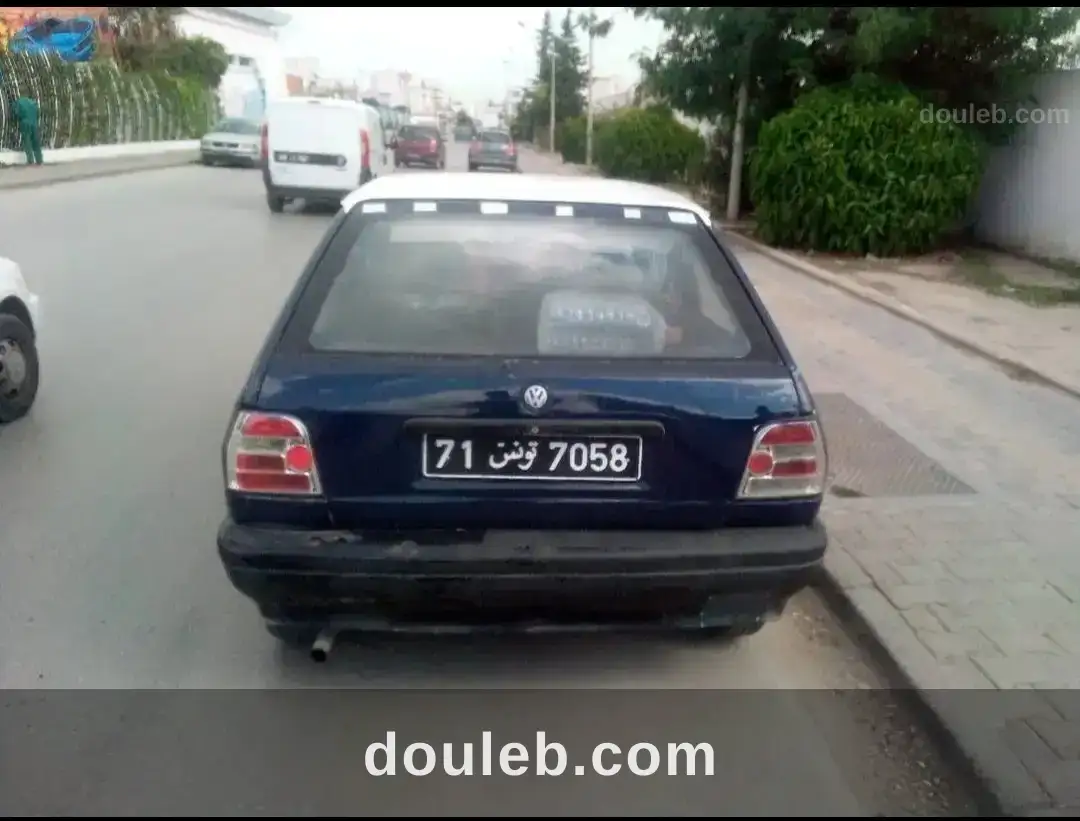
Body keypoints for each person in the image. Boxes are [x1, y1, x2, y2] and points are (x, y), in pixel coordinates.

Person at [13, 94, 43, 166]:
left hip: (25, 123)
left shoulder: (18, 102)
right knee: (36, 142)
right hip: (34, 123)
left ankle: (30, 161)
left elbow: (16, 113)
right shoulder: (33, 103)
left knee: (27, 142)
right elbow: (38, 113)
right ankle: (39, 160)